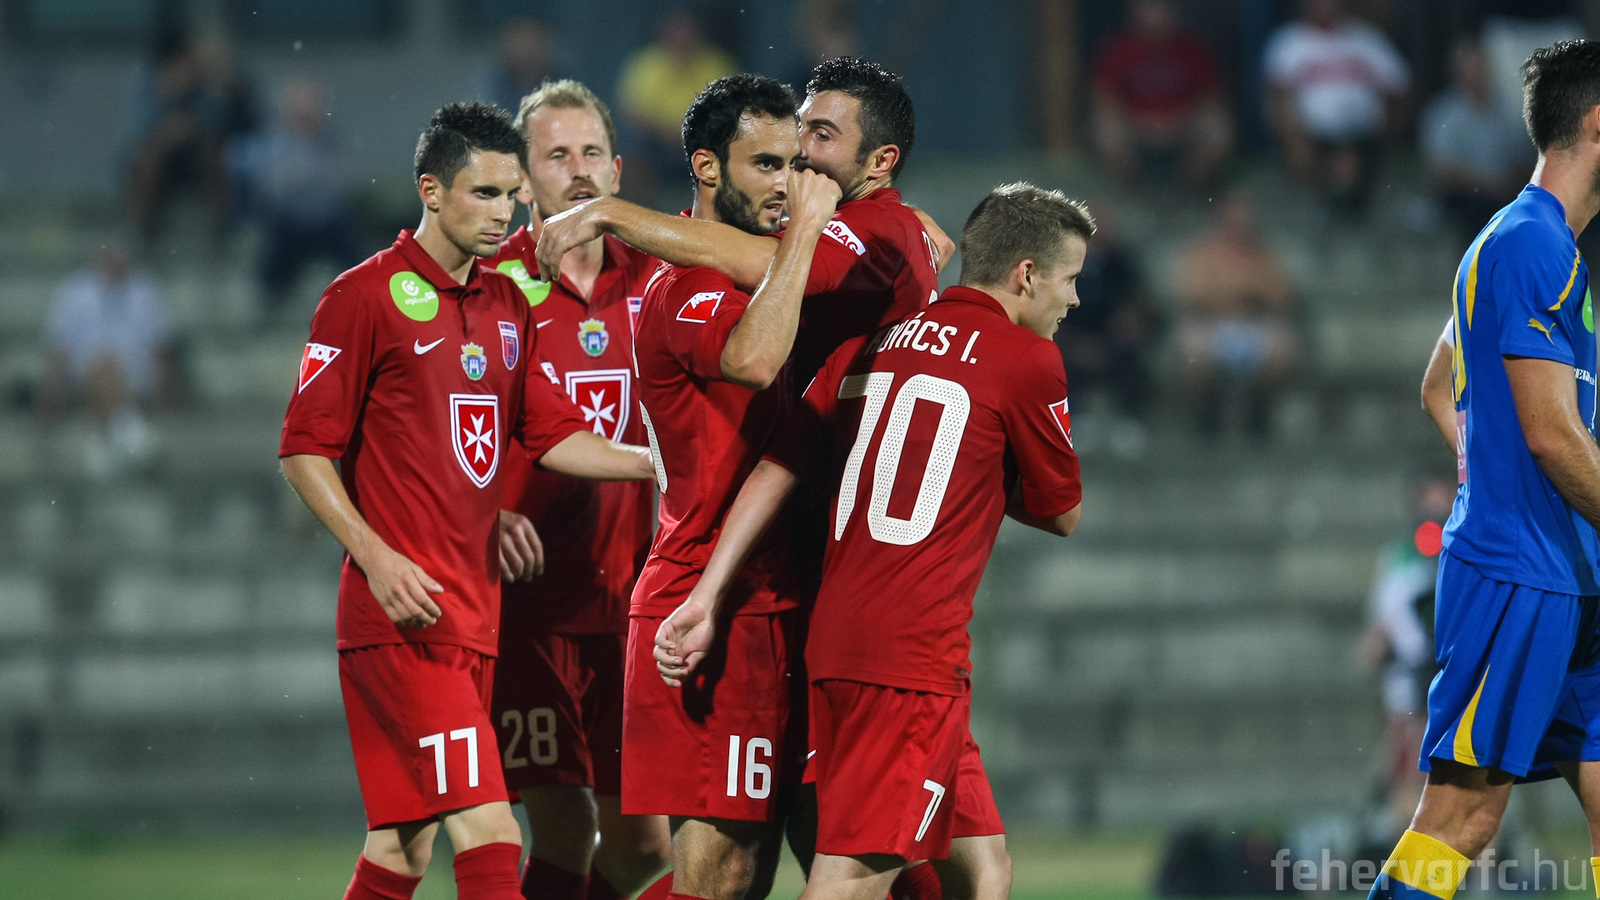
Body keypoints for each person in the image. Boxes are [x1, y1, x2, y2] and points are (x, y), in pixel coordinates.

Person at [654, 181, 1088, 900]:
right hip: (911, 661)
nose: (1073, 300)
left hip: (839, 642)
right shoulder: (1027, 360)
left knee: (984, 867)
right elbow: (1061, 510)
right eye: (1069, 280)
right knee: (851, 880)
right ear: (1026, 274)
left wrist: (705, 594)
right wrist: (986, 465)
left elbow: (778, 467)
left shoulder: (873, 345)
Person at [278, 101, 654, 900]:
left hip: (476, 620)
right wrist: (377, 558)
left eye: (511, 195)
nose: (503, 212)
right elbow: (304, 450)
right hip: (404, 619)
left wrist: (659, 464)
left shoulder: (506, 305)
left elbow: (552, 435)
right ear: (431, 190)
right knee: (492, 833)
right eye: (483, 193)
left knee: (401, 849)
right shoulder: (363, 296)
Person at [1365, 40, 1600, 900]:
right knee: (1461, 819)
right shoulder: (1533, 245)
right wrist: (1501, 498)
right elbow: (1552, 436)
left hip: (1570, 572)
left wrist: (1490, 477)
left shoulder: (1521, 241)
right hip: (1521, 574)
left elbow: (1440, 385)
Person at [617, 72, 841, 900]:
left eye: (796, 166)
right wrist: (810, 231)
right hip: (710, 606)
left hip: (788, 601)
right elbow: (752, 358)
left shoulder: (759, 269)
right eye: (765, 165)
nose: (787, 186)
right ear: (708, 170)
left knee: (819, 858)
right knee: (722, 875)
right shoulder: (687, 288)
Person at [486, 79, 672, 900]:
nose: (580, 170)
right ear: (524, 181)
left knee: (645, 846)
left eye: (593, 152)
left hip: (634, 603)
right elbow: (427, 427)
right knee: (562, 824)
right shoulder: (490, 286)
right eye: (557, 156)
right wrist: (482, 511)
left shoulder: (659, 279)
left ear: (618, 171)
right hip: (527, 608)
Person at [40, 239, 176, 478]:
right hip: (86, 367)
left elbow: (160, 344)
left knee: (110, 364)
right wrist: (53, 385)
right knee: (105, 363)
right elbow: (60, 343)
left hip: (135, 369)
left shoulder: (144, 290)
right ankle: (131, 432)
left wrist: (163, 383)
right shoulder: (76, 290)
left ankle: (104, 444)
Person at [1264, 0, 1409, 217]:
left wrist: (1388, 130)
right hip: (1312, 133)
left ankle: (1350, 198)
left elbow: (1399, 85)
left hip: (1361, 134)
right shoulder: (1289, 40)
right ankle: (1316, 193)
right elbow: (1275, 94)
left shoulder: (1365, 37)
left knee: (1349, 171)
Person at [1171, 190, 1295, 438]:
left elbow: (1280, 295)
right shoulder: (1200, 253)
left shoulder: (1262, 253)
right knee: (1193, 347)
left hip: (1253, 323)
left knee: (1281, 344)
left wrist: (1239, 290)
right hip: (1210, 325)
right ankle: (1208, 415)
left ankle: (1259, 415)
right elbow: (1193, 294)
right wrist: (1241, 291)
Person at [1089, 0, 1232, 189]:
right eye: (1149, 11)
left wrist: (1177, 118)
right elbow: (1103, 96)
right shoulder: (1119, 49)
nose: (1155, 19)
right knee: (1104, 127)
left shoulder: (1191, 49)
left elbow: (1211, 94)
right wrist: (1141, 119)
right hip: (1134, 123)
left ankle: (1190, 186)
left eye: (1161, 11)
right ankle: (1130, 186)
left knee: (1217, 125)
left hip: (1181, 123)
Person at [250, 78, 363, 315]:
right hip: (291, 218)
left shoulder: (330, 138)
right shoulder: (277, 137)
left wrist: (302, 178)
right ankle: (269, 301)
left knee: (351, 246)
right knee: (276, 246)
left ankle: (360, 299)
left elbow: (338, 182)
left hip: (325, 217)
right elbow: (275, 184)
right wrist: (308, 178)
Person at [616, 8, 739, 208]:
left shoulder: (716, 64)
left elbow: (728, 111)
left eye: (687, 31)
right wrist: (668, 134)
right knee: (632, 157)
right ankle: (639, 214)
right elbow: (633, 115)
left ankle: (718, 216)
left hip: (704, 142)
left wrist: (688, 133)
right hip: (657, 146)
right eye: (676, 31)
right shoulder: (646, 65)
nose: (682, 38)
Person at [1420, 39, 1531, 244]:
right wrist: (1486, 184)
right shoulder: (1444, 114)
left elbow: (1521, 156)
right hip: (1465, 195)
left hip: (1505, 189)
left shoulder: (1508, 110)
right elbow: (1441, 169)